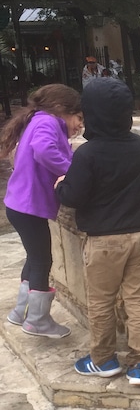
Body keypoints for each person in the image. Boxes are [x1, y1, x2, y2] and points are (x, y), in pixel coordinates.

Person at [55, 77, 140, 384]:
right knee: (138, 301)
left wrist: (61, 186)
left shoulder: (88, 154)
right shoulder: (139, 146)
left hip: (104, 243)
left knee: (101, 303)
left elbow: (74, 196)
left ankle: (103, 359)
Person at [2, 84, 82, 337]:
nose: (80, 126)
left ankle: (20, 311)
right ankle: (37, 320)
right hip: (29, 207)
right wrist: (72, 171)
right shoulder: (48, 122)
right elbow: (45, 150)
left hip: (19, 205)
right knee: (41, 259)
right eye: (78, 118)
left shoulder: (39, 120)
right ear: (62, 110)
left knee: (33, 256)